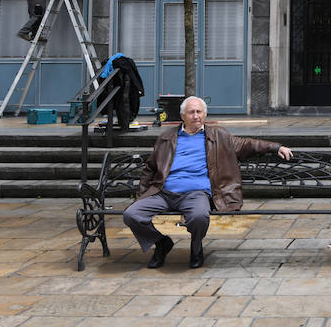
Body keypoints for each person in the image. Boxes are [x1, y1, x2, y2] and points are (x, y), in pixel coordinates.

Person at [123, 96, 293, 269]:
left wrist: (276, 147)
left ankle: (196, 248)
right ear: (183, 116)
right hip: (163, 192)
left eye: (199, 112)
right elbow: (150, 168)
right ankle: (161, 243)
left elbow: (248, 144)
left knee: (199, 217)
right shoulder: (167, 137)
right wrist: (141, 196)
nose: (196, 116)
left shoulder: (218, 136)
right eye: (191, 112)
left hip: (196, 194)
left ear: (205, 114)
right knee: (131, 215)